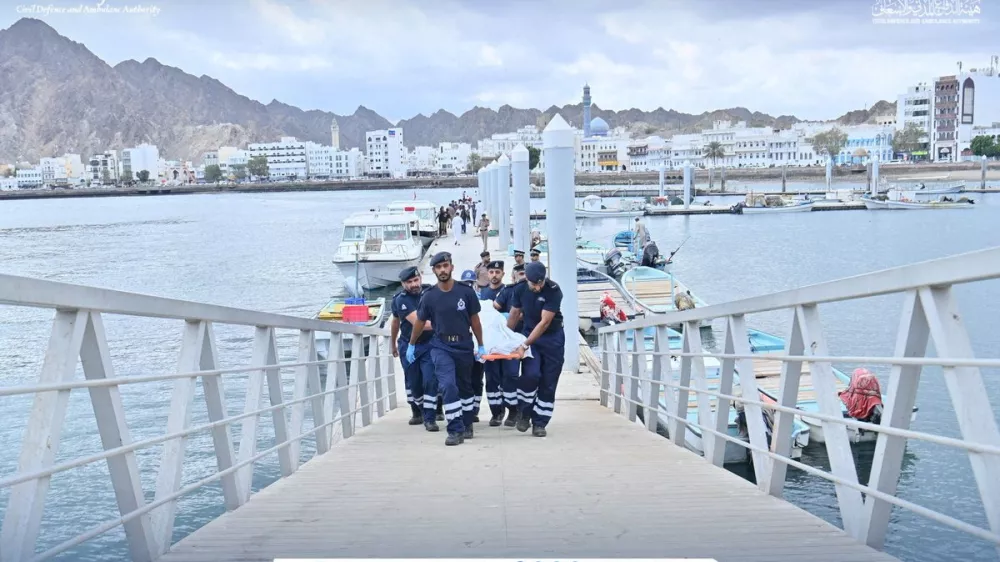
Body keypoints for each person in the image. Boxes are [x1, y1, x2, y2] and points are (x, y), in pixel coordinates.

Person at [409, 252, 486, 446]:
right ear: (434, 270)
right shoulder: (429, 296)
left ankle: (467, 423)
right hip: (440, 346)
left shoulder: (466, 293)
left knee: (465, 387)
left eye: (445, 266)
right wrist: (411, 344)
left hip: (464, 345)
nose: (442, 270)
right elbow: (419, 323)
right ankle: (455, 429)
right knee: (448, 386)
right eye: (438, 267)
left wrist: (481, 344)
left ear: (451, 267)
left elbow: (475, 321)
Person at [506, 262, 565, 437]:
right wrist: (507, 341)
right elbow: (514, 314)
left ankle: (540, 422)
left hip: (552, 337)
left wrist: (524, 345)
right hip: (529, 335)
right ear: (527, 279)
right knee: (530, 376)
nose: (538, 287)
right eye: (534, 284)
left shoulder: (554, 290)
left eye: (540, 283)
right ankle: (524, 412)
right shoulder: (519, 289)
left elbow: (544, 322)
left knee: (549, 381)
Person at [389, 267, 439, 431]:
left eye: (416, 280)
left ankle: (430, 417)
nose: (414, 284)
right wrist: (393, 343)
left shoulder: (430, 292)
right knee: (414, 383)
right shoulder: (401, 300)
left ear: (420, 278)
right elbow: (418, 324)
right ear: (403, 284)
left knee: (430, 379)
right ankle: (417, 409)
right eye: (409, 282)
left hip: (429, 344)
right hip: (408, 345)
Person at [493, 262, 526, 426]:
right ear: (513, 277)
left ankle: (522, 411)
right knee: (508, 376)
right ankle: (512, 410)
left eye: (525, 274)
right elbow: (493, 309)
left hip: (528, 338)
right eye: (520, 274)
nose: (523, 277)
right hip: (509, 341)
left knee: (526, 377)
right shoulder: (507, 292)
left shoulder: (534, 292)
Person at [476, 260, 508, 425]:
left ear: (503, 273)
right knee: (492, 379)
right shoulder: (482, 294)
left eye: (497, 272)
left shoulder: (509, 291)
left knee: (509, 378)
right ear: (487, 274)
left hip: (507, 343)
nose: (494, 275)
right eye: (491, 272)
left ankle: (512, 410)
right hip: (489, 344)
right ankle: (496, 412)